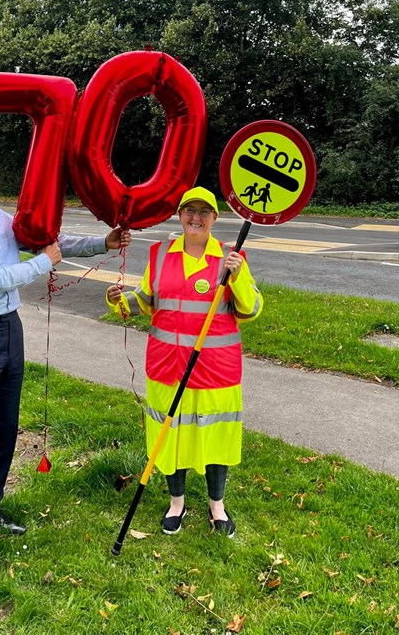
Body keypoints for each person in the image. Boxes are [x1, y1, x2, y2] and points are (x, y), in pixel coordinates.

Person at [0, 149, 130, 588]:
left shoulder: (1, 220)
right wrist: (48, 262)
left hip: (8, 330)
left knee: (6, 429)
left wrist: (105, 242)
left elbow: (49, 239)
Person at [107, 186, 262, 538]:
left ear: (214, 218)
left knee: (215, 435)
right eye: (189, 210)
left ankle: (216, 506)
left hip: (215, 370)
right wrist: (117, 299)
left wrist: (236, 277)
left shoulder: (231, 257)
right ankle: (176, 503)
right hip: (168, 366)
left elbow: (250, 309)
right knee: (168, 435)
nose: (196, 217)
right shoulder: (160, 254)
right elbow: (146, 301)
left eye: (204, 211)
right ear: (179, 215)